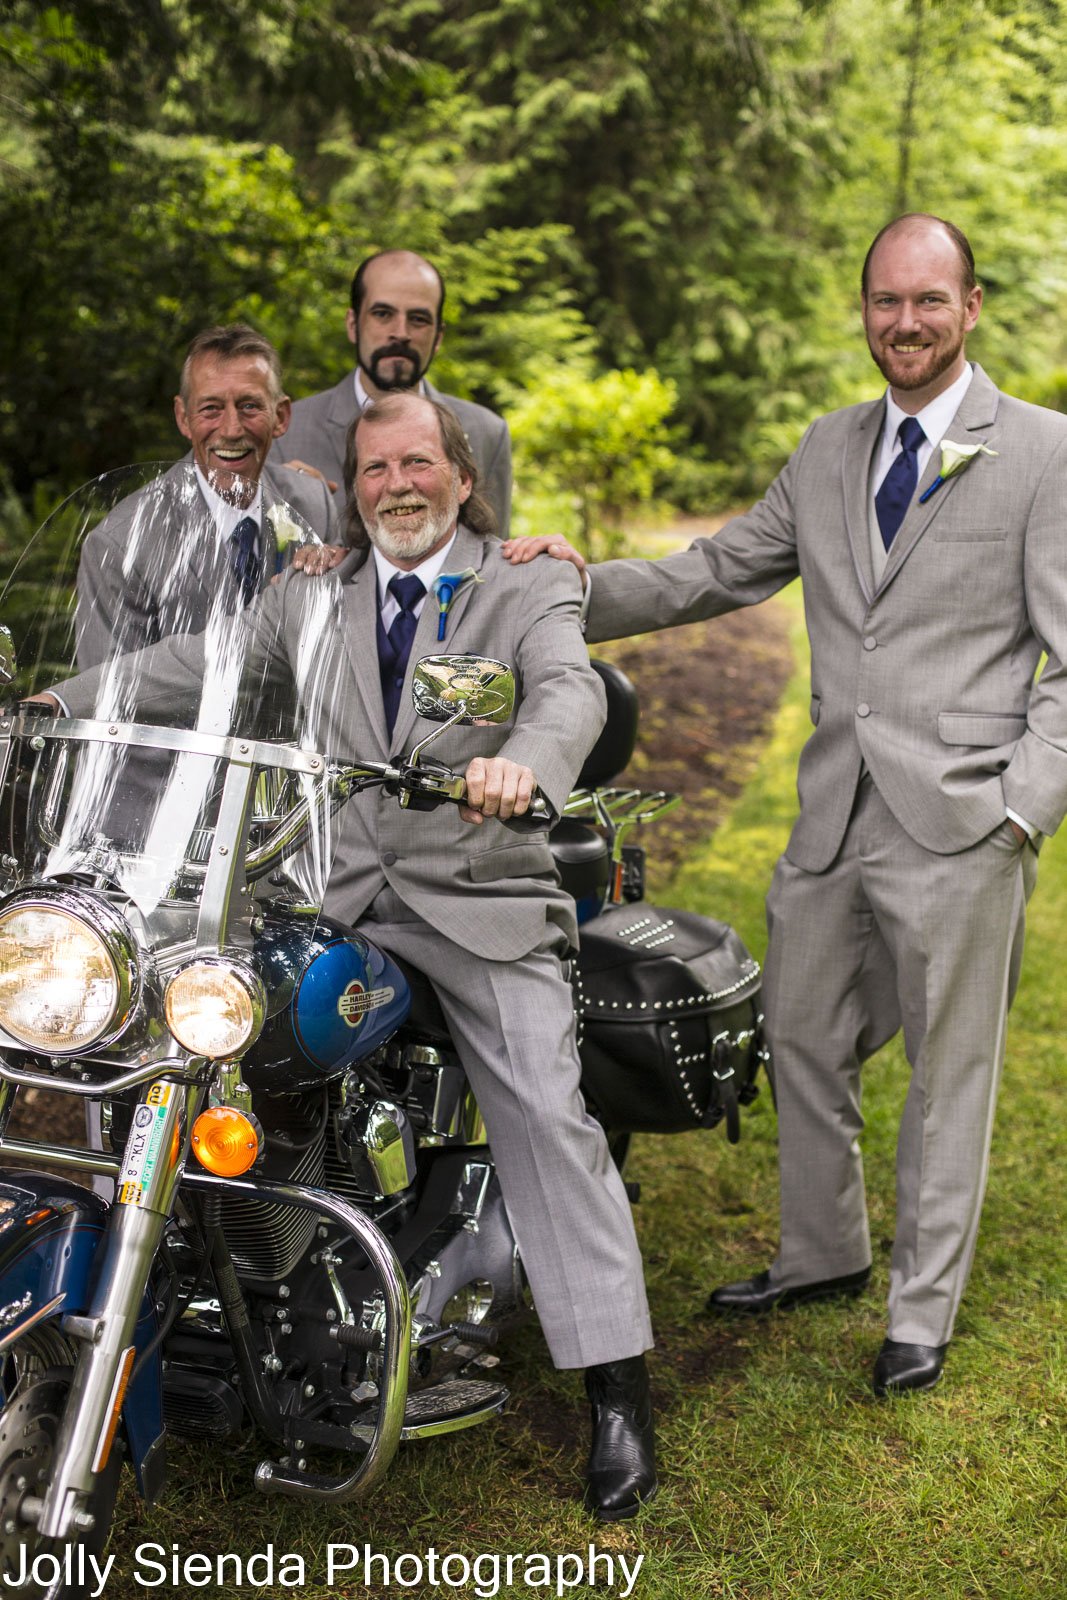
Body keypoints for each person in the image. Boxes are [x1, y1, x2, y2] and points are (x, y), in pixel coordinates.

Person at [42, 391, 656, 1520]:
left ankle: (616, 1385)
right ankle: (213, 1287)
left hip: (475, 900)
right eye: (375, 470)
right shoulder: (311, 591)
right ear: (351, 484)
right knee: (177, 1039)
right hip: (329, 890)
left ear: (460, 479)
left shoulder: (525, 580)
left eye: (418, 465)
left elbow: (565, 688)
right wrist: (57, 703)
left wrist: (525, 759)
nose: (397, 487)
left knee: (541, 1109)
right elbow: (199, 663)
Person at [503, 213, 1067, 1397]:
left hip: (964, 820)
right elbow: (708, 569)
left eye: (926, 301)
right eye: (882, 302)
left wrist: (1020, 809)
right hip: (829, 816)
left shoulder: (1042, 452)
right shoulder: (824, 449)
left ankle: (921, 1310)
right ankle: (823, 1250)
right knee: (800, 1036)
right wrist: (565, 582)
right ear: (860, 312)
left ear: (969, 308)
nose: (901, 322)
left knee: (945, 1076)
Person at [76, 324, 336, 668]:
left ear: (281, 416)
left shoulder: (313, 503)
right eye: (211, 408)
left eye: (249, 406)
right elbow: (107, 698)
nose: (231, 429)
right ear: (183, 418)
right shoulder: (120, 543)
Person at [276, 249, 513, 532]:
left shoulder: (487, 432)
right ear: (353, 325)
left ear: (438, 337)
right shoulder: (285, 433)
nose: (401, 332)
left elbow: (493, 558)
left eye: (419, 319)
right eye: (383, 314)